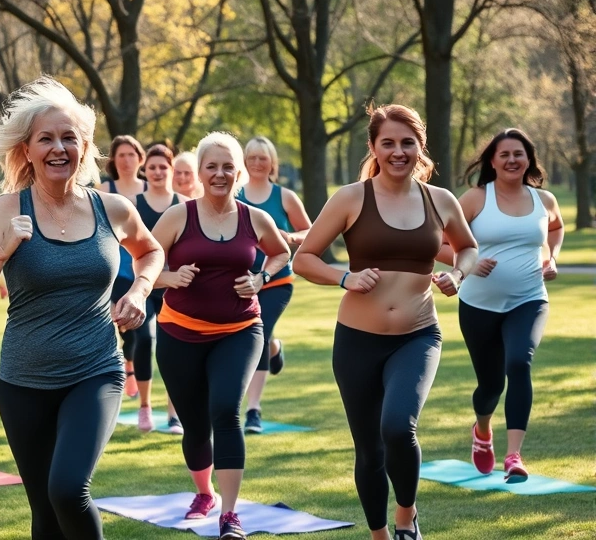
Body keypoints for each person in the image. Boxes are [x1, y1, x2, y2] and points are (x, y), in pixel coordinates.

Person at [0, 77, 163, 539]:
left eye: (69, 137)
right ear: (26, 150)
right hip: (24, 381)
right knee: (45, 513)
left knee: (69, 489)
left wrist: (139, 291)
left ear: (84, 146)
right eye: (46, 138)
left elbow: (150, 252)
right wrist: (2, 251)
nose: (58, 148)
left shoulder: (113, 209)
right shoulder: (6, 211)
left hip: (95, 370)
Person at [293, 104, 478, 540]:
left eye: (407, 143)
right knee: (369, 449)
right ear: (374, 147)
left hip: (417, 337)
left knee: (398, 426)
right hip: (357, 341)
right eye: (388, 143)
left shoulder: (441, 200)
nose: (399, 152)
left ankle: (405, 515)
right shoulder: (351, 198)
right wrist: (345, 277)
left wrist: (457, 273)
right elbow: (303, 259)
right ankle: (379, 535)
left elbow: (467, 248)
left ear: (421, 147)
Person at [151, 132, 290, 540]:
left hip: (240, 330)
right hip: (179, 333)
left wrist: (261, 276)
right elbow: (141, 264)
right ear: (199, 173)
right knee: (195, 425)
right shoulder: (180, 217)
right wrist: (170, 277)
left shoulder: (254, 217)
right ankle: (204, 492)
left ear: (239, 171)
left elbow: (281, 252)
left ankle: (230, 516)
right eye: (211, 166)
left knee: (226, 411)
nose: (219, 173)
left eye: (228, 166)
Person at [439, 128, 563, 484]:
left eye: (518, 154)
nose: (512, 160)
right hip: (478, 304)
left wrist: (552, 257)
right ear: (492, 160)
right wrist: (468, 264)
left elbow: (556, 228)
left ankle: (513, 455)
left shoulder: (545, 200)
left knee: (519, 363)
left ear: (529, 159)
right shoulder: (476, 199)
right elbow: (436, 242)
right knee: (490, 384)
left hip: (529, 299)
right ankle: (482, 429)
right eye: (504, 154)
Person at [237, 137, 311, 434]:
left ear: (272, 163)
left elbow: (311, 231)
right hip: (240, 281)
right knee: (252, 337)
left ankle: (253, 411)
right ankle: (275, 349)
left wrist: (290, 238)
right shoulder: (235, 193)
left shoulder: (285, 197)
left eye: (262, 158)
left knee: (259, 333)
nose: (257, 162)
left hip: (277, 281)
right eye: (251, 157)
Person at [132, 144, 186, 434]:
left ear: (171, 169)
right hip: (143, 286)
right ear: (145, 170)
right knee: (144, 339)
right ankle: (144, 406)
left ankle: (173, 413)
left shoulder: (184, 203)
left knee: (172, 349)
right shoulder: (134, 205)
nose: (156, 171)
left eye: (162, 167)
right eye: (151, 167)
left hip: (175, 288)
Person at [98, 135, 147, 398]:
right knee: (114, 324)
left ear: (141, 158)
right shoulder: (103, 190)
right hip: (111, 267)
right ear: (114, 161)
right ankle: (123, 372)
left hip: (138, 267)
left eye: (131, 154)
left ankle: (131, 370)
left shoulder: (150, 191)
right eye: (121, 155)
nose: (127, 160)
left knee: (136, 327)